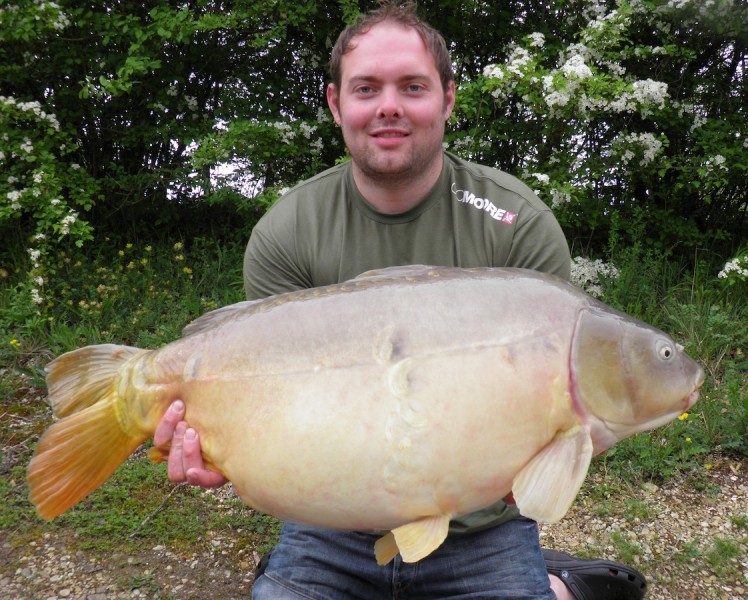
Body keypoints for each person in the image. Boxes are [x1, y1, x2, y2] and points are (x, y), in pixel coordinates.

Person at [154, 2, 647, 599]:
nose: (389, 106)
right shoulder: (287, 232)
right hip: (331, 527)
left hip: (483, 529)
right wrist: (220, 448)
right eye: (367, 88)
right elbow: (272, 408)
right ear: (338, 104)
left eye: (413, 86)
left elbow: (547, 450)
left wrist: (541, 463)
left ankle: (557, 584)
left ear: (447, 99)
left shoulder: (516, 223)